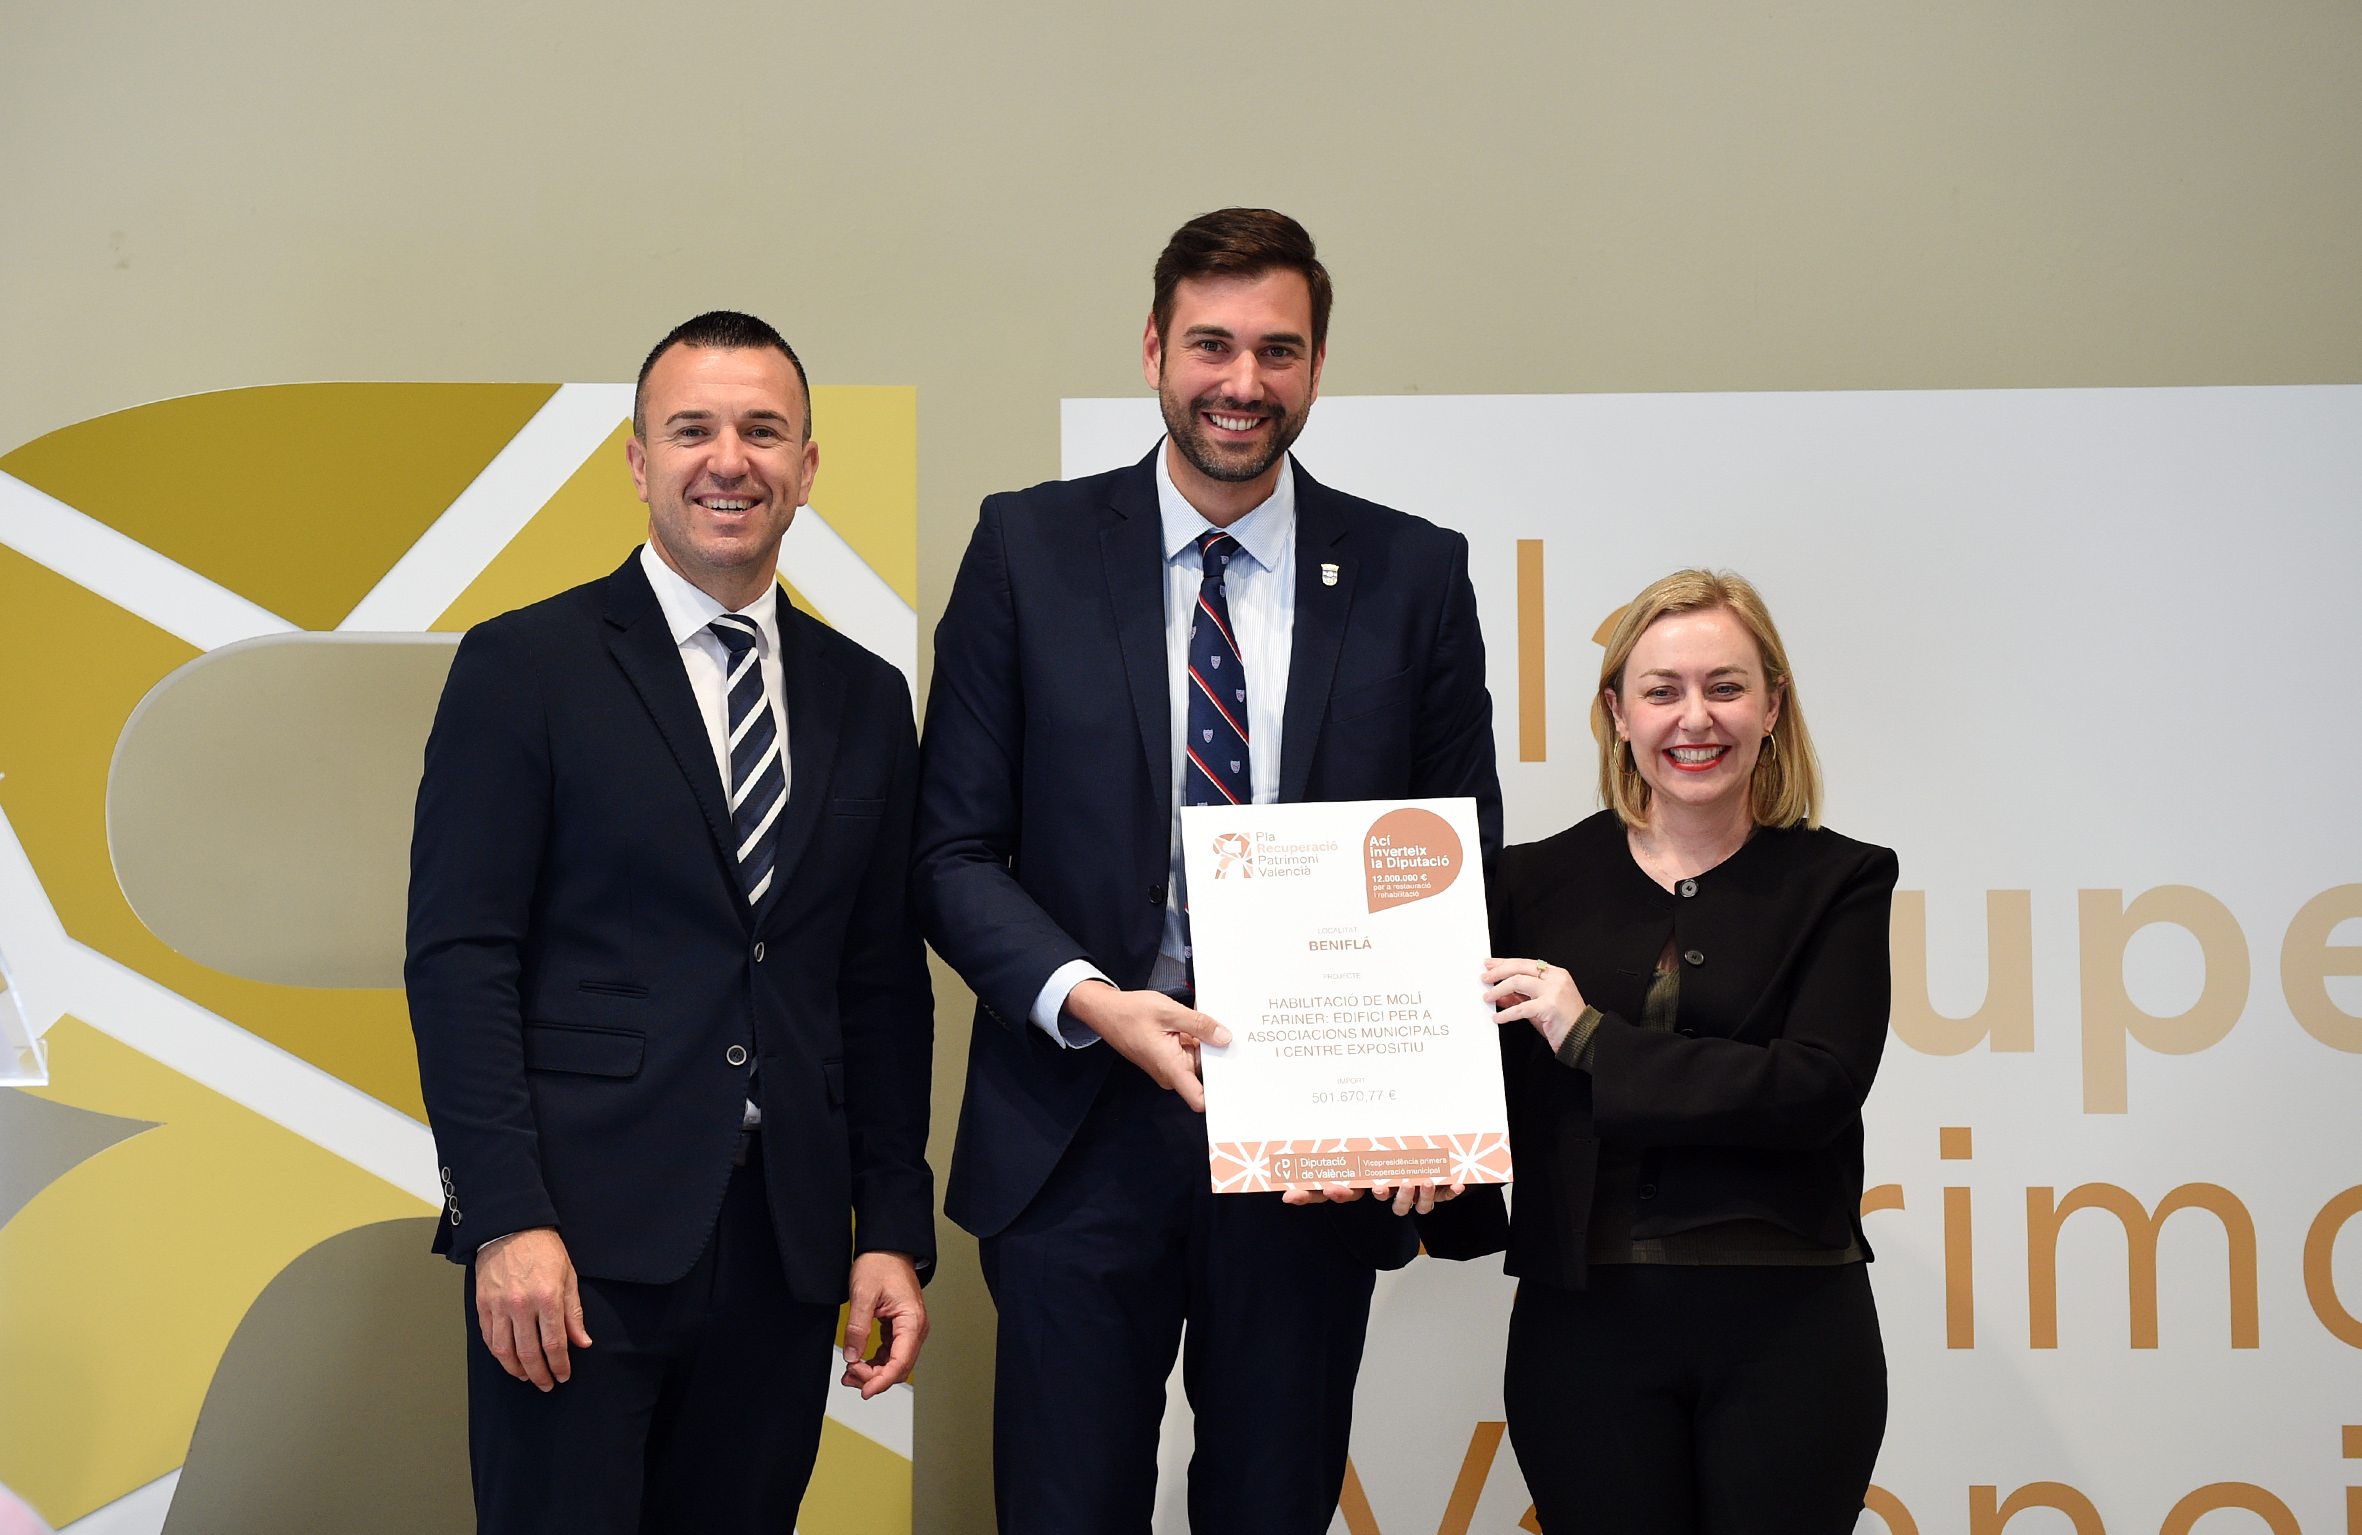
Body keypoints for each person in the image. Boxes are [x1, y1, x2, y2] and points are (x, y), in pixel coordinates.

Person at [914, 208, 1502, 1534]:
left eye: (1277, 349)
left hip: (1314, 1131)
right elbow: (949, 851)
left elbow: (1455, 858)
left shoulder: (1411, 572)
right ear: (1152, 349)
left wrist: (1423, 1097)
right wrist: (1090, 998)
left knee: (1272, 1506)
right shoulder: (1026, 548)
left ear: (1317, 363)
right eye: (1211, 344)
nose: (1243, 381)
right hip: (1076, 1121)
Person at [405, 310, 935, 1534]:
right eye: (692, 430)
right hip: (574, 1245)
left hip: (786, 1248)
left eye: (762, 430)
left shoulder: (865, 694)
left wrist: (890, 1229)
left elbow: (878, 986)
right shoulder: (523, 665)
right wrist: (506, 1218)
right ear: (639, 462)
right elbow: (459, 957)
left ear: (807, 464)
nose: (727, 459)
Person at [1425, 569, 1896, 1534]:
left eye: (1725, 687)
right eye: (1661, 690)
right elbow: (1483, 1086)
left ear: (1773, 705)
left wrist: (1593, 1037)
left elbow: (1814, 1085)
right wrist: (1411, 1152)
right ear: (1617, 712)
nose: (1695, 718)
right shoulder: (1525, 883)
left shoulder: (1840, 879)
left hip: (1791, 1324)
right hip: (1583, 1329)